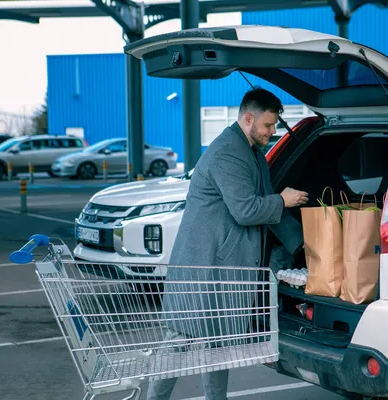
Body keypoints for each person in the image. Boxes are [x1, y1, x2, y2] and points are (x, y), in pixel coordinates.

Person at [146, 87, 308, 400]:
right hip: (202, 266)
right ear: (248, 118)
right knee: (179, 339)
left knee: (217, 341)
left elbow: (266, 205)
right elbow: (247, 210)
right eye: (268, 125)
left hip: (221, 267)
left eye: (274, 126)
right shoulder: (227, 153)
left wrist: (303, 245)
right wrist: (282, 200)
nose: (272, 132)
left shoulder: (252, 153)